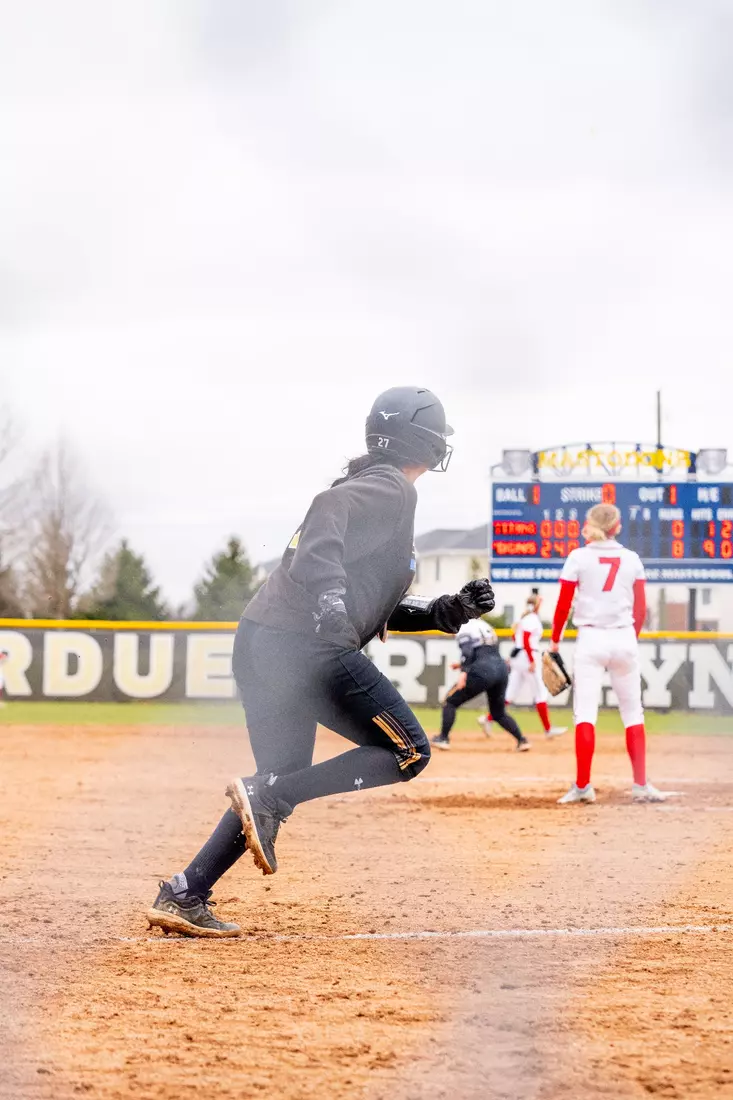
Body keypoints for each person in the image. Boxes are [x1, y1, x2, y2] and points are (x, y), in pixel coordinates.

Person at [148, 387, 495, 937]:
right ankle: (269, 798)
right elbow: (326, 516)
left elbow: (366, 602)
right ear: (426, 442)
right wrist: (330, 597)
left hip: (265, 640)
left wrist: (444, 611)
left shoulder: (373, 487)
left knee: (278, 776)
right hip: (304, 644)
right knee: (407, 751)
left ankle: (185, 893)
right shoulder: (391, 487)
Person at [552, 502, 674, 804]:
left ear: (591, 524)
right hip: (623, 637)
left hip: (590, 639)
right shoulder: (631, 559)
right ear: (617, 527)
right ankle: (641, 784)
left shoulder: (578, 557)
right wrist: (629, 639)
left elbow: (563, 605)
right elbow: (641, 609)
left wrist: (555, 642)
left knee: (585, 714)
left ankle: (583, 786)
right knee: (633, 714)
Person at [431, 619, 529, 751]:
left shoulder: (463, 626)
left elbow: (467, 651)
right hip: (501, 669)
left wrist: (463, 672)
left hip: (482, 671)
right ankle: (522, 740)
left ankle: (443, 738)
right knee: (498, 713)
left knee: (450, 701)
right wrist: (462, 665)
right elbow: (487, 653)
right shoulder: (484, 625)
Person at [478, 594, 566, 739]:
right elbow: (525, 638)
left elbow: (516, 637)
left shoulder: (524, 618)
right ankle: (548, 729)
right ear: (536, 605)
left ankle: (487, 719)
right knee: (540, 693)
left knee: (510, 693)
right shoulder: (532, 619)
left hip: (519, 657)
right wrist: (531, 660)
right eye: (539, 602)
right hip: (527, 657)